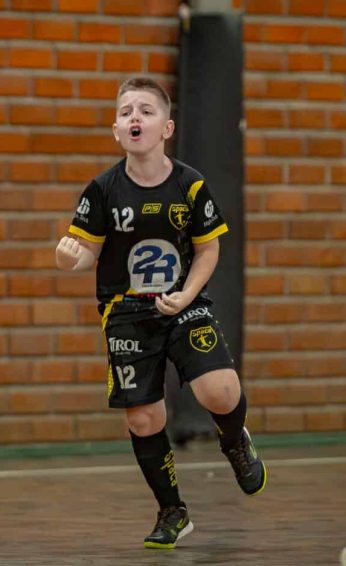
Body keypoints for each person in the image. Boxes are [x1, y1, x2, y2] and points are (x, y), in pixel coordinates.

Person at [55, 77, 267, 550]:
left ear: (166, 126)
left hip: (182, 305)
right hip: (127, 313)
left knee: (220, 388)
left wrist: (189, 294)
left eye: (146, 110)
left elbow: (208, 250)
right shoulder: (103, 190)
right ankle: (173, 511)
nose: (135, 117)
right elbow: (84, 252)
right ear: (115, 129)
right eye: (126, 111)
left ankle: (234, 440)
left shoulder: (190, 185)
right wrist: (70, 256)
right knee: (144, 420)